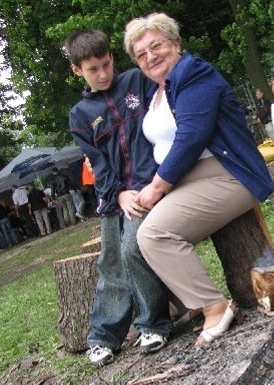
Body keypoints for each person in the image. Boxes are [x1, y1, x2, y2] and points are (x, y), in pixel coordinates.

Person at [123, 13, 274, 346]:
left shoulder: (194, 74)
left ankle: (214, 307)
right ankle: (174, 307)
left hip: (227, 176)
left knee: (155, 234)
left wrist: (158, 187)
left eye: (156, 46)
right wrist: (131, 189)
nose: (150, 57)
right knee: (130, 239)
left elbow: (192, 136)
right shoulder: (156, 92)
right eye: (141, 54)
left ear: (175, 44)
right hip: (184, 180)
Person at [66, 28, 176, 366]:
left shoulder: (135, 82)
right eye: (93, 69)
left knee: (132, 251)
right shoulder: (80, 115)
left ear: (113, 59)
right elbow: (97, 164)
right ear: (77, 71)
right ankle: (104, 336)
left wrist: (144, 188)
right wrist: (118, 195)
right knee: (110, 263)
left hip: (148, 186)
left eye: (106, 64)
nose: (102, 74)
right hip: (114, 195)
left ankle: (153, 323)